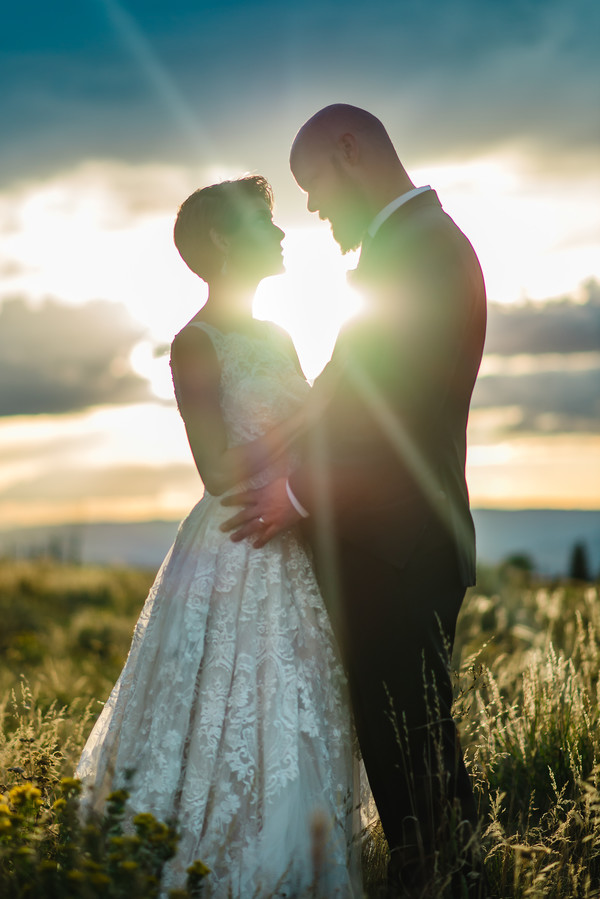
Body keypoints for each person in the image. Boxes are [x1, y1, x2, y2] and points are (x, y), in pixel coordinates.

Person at [221, 106, 488, 897]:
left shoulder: (425, 256)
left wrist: (297, 492)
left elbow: (393, 419)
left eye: (313, 184)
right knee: (415, 747)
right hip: (392, 541)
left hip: (399, 545)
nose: (311, 208)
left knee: (413, 759)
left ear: (351, 150)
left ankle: (443, 880)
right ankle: (454, 873)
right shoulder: (407, 250)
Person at [75, 175, 362, 898]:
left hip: (292, 538)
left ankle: (304, 855)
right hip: (235, 542)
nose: (281, 233)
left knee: (296, 706)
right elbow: (216, 470)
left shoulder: (278, 334)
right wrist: (310, 409)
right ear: (224, 242)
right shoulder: (195, 343)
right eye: (263, 223)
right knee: (226, 709)